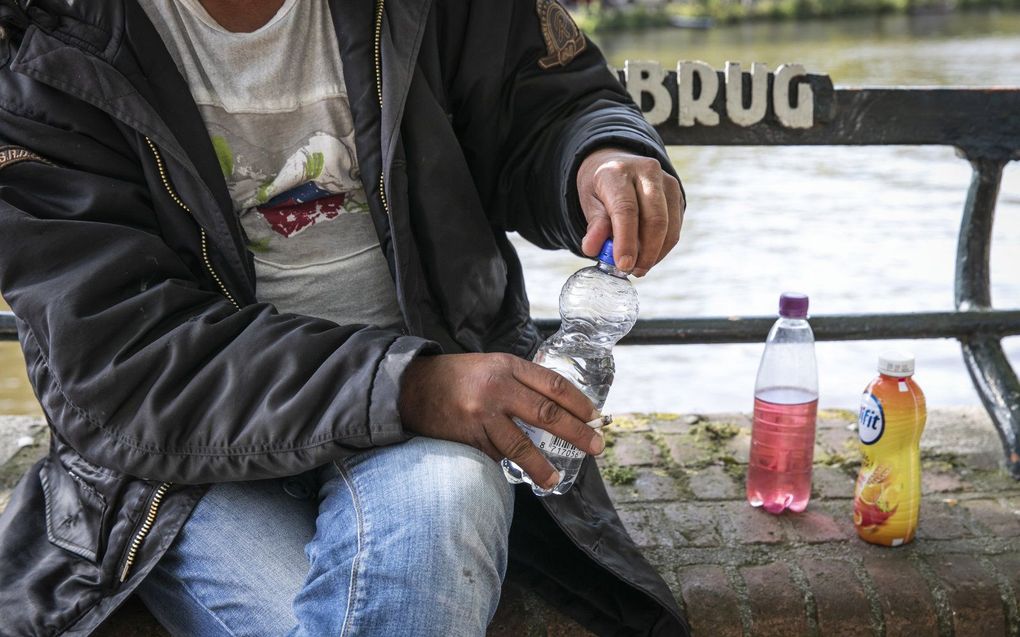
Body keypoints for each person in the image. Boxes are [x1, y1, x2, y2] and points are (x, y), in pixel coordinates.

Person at [0, 0, 687, 634]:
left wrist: (598, 155)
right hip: (182, 461)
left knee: (439, 512)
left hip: (427, 415)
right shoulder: (41, 35)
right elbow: (118, 357)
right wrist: (410, 386)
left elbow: (542, 105)